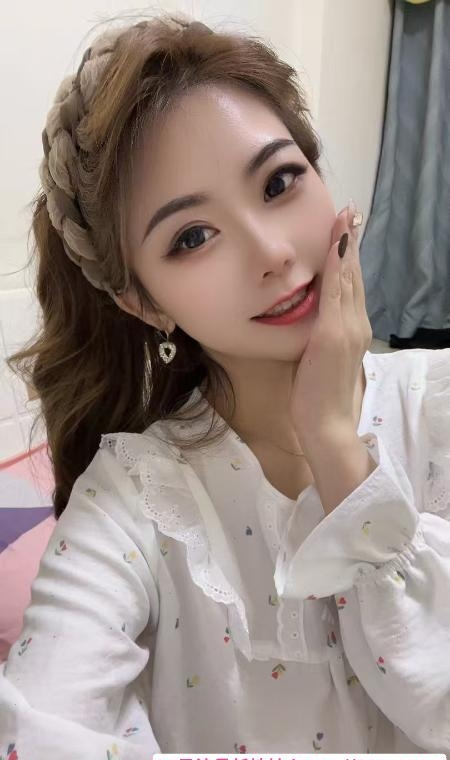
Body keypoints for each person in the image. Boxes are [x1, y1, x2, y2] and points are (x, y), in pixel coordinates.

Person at [1, 13, 449, 759]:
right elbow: (38, 728)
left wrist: (337, 450)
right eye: (192, 237)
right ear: (143, 302)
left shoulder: (436, 404)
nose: (272, 252)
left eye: (279, 182)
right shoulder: (133, 496)